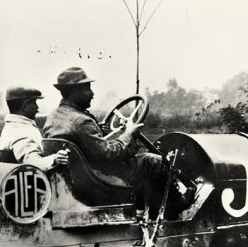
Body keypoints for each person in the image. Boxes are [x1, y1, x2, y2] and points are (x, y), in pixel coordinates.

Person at [43, 67, 194, 217]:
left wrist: (99, 130)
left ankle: (149, 207)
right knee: (153, 161)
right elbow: (110, 154)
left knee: (140, 162)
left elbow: (85, 142)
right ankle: (176, 205)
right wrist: (128, 133)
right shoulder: (80, 121)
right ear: (74, 92)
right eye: (87, 88)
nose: (92, 94)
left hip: (76, 178)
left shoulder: (54, 116)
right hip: (98, 180)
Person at [0, 86, 68, 170]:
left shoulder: (14, 126)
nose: (37, 108)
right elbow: (31, 162)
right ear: (25, 105)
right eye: (34, 103)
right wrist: (55, 159)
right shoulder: (20, 132)